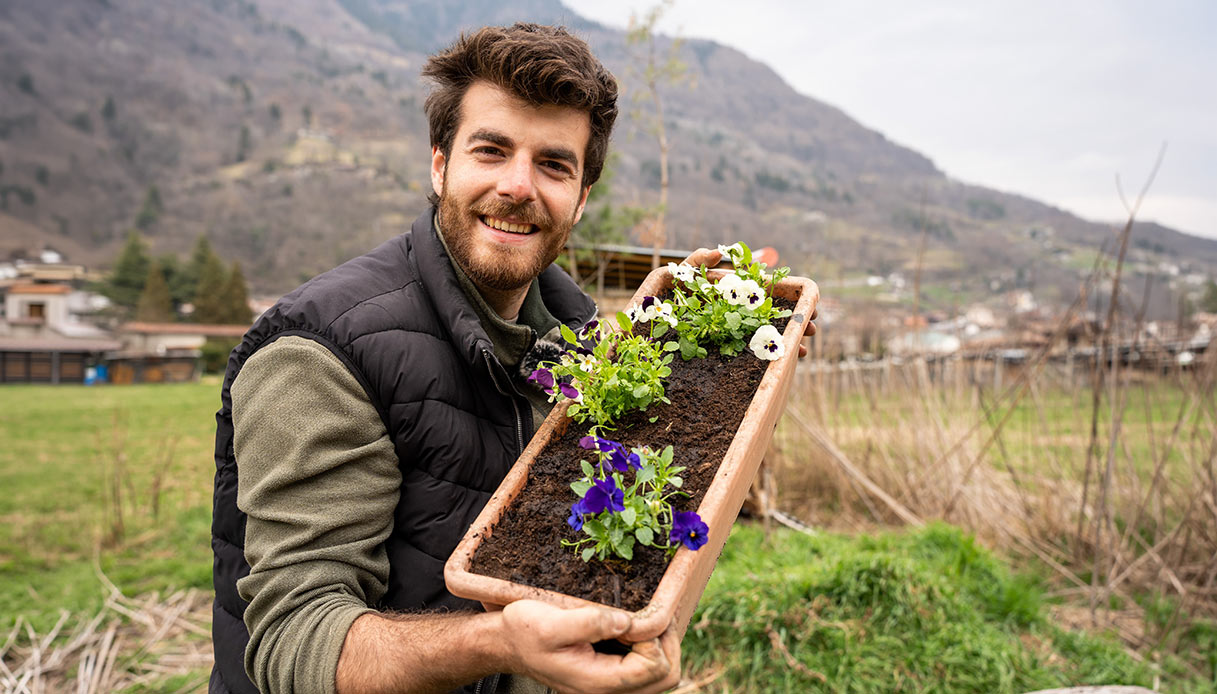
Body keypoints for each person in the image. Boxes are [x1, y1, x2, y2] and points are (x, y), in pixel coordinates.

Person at [211, 22, 813, 694]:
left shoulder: (582, 344)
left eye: (553, 164)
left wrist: (725, 340)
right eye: (491, 151)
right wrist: (495, 643)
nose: (518, 186)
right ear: (440, 166)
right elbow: (293, 644)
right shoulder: (321, 353)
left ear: (581, 200)